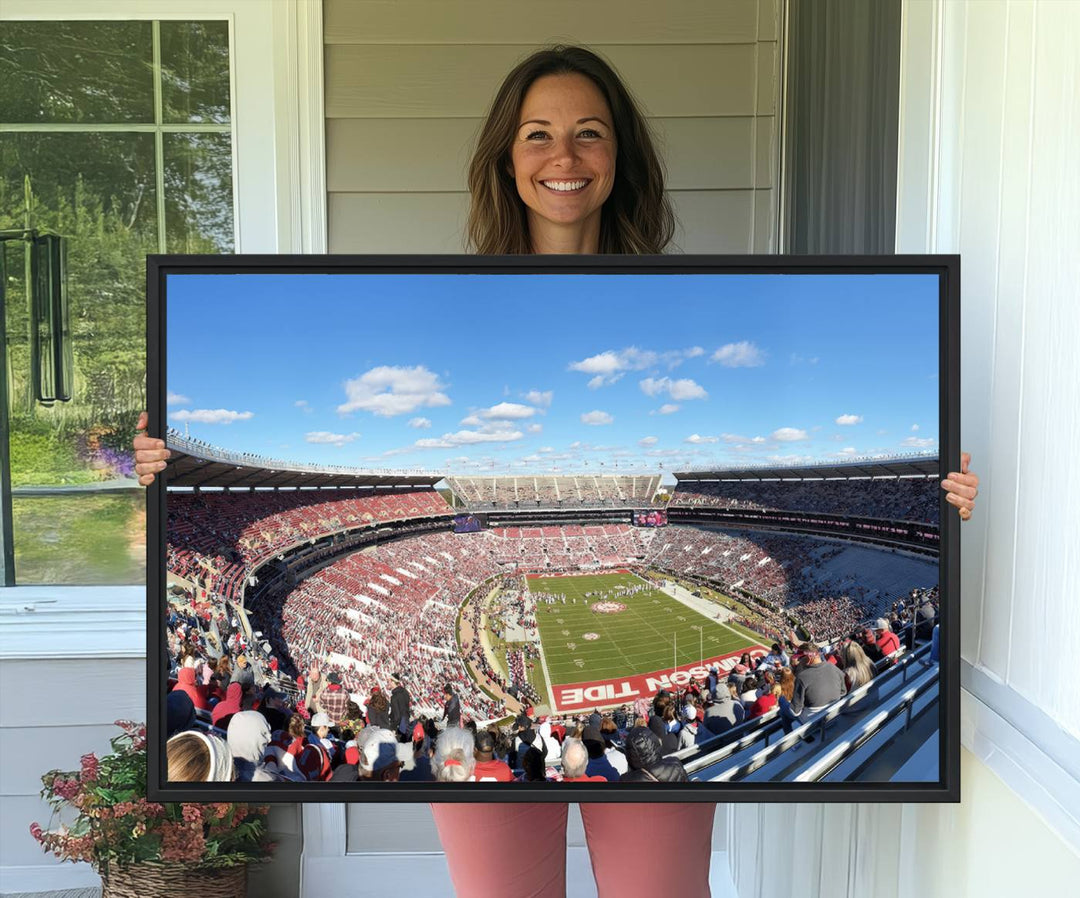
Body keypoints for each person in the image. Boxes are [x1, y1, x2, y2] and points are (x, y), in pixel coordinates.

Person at [133, 42, 980, 898]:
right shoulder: (442, 302)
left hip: (642, 759)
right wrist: (158, 478)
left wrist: (941, 505)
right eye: (537, 134)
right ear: (506, 157)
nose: (563, 157)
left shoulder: (685, 296)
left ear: (621, 158)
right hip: (497, 756)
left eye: (589, 133)